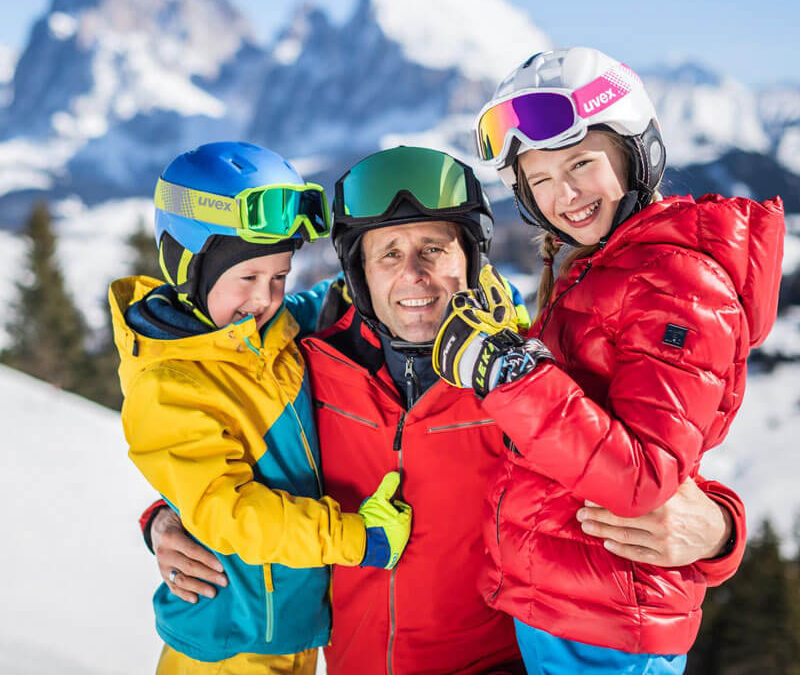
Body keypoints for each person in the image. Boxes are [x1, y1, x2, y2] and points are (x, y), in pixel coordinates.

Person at [144, 145, 749, 675]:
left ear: (471, 259)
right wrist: (166, 518)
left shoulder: (524, 374)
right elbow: (234, 430)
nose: (415, 275)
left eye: (435, 248)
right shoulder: (311, 357)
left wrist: (721, 532)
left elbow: (639, 461)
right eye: (389, 255)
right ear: (358, 272)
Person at [433, 47, 784, 674]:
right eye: (538, 180)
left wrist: (509, 374)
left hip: (613, 624)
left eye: (580, 164)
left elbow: (643, 477)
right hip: (569, 603)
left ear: (634, 152)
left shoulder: (677, 283)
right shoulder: (603, 270)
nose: (562, 194)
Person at [109, 141, 412, 675]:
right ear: (187, 264)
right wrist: (354, 538)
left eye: (278, 276)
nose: (265, 297)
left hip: (289, 630)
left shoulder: (262, 331)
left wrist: (382, 279)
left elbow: (309, 307)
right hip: (230, 644)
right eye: (247, 278)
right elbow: (228, 511)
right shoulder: (169, 383)